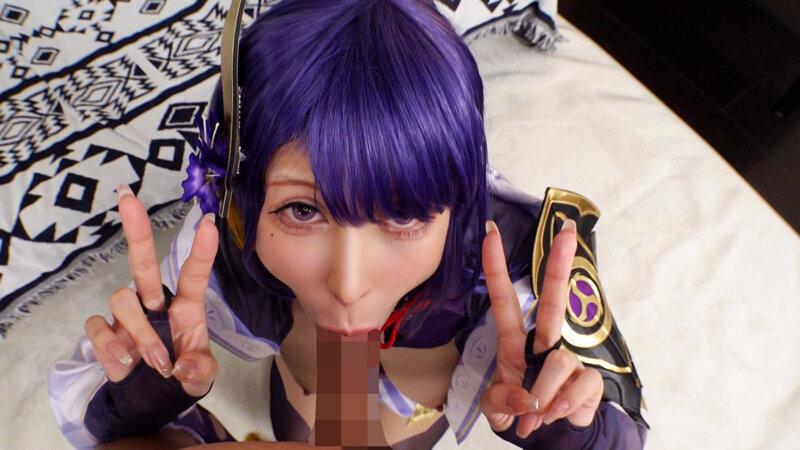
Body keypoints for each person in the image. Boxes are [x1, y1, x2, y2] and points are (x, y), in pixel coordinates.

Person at [48, 0, 648, 448]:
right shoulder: (221, 244)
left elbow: (621, 426)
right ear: (245, 195)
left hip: (414, 412)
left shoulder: (520, 263)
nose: (349, 283)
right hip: (303, 395)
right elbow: (95, 413)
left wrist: (568, 425)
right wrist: (145, 389)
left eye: (404, 214)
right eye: (303, 211)